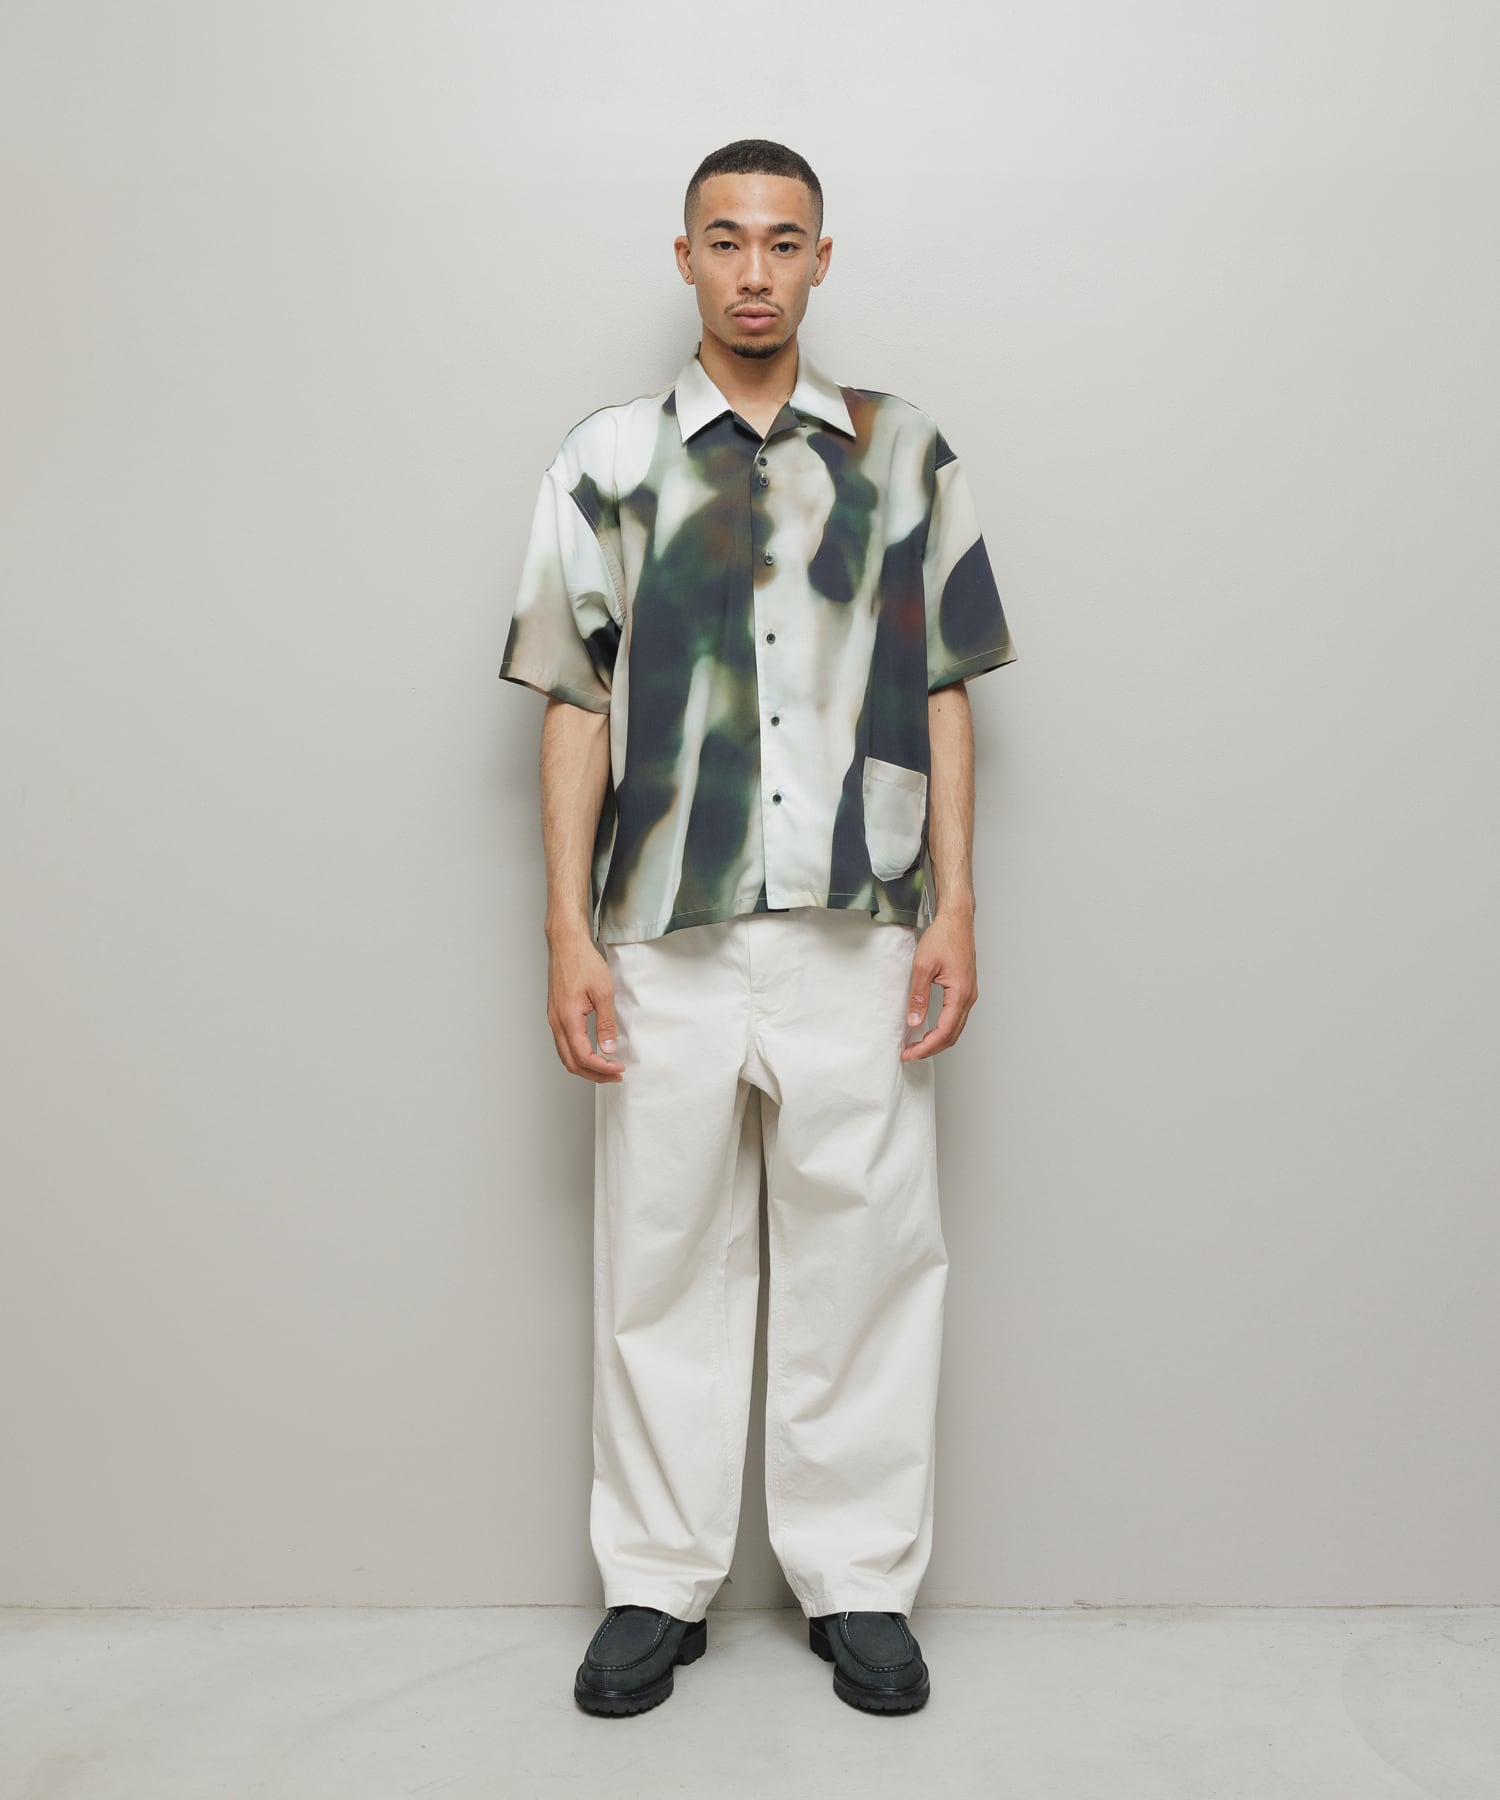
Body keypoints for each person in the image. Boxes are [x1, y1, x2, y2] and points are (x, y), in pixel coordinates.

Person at [497, 138, 1017, 1717]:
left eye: (783, 241)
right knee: (660, 1257)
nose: (753, 270)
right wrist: (564, 933)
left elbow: (943, 685)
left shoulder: (903, 452)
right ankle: (656, 1583)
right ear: (685, 258)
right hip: (663, 925)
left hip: (862, 915)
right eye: (725, 239)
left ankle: (858, 1582)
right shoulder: (605, 459)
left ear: (821, 260)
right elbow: (574, 700)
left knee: (868, 1254)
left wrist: (957, 906)